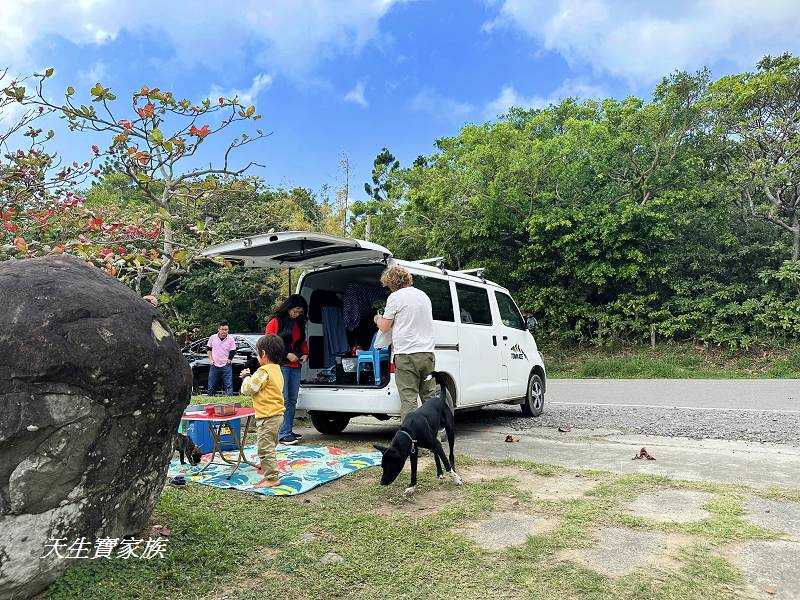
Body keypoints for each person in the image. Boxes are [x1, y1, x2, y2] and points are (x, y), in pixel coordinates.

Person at [374, 265, 437, 420]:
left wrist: (376, 318)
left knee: (409, 400)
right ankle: (434, 437)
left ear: (392, 283)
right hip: (427, 353)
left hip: (406, 355)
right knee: (429, 398)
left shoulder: (395, 297)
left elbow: (385, 326)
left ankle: (411, 440)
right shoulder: (423, 296)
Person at [239, 334, 285, 488]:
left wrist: (246, 377)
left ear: (263, 354)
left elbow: (249, 388)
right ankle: (266, 467)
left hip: (267, 416)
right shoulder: (277, 370)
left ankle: (271, 478)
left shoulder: (263, 371)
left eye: (257, 353)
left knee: (264, 447)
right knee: (270, 443)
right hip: (277, 415)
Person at [265, 295, 309, 445]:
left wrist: (305, 354)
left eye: (300, 312)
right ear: (288, 307)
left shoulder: (298, 323)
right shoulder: (275, 322)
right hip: (281, 366)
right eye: (295, 311)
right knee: (282, 399)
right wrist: (286, 354)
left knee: (292, 400)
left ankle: (287, 430)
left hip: (295, 365)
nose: (297, 314)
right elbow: (268, 344)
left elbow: (302, 342)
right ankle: (282, 433)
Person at [206, 321, 236, 395]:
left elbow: (233, 351)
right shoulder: (212, 338)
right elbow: (208, 349)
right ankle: (210, 399)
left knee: (228, 384)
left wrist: (229, 360)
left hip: (226, 365)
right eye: (222, 329)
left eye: (226, 330)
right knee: (211, 384)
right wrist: (210, 359)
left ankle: (229, 400)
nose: (224, 331)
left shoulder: (231, 339)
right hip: (214, 365)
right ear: (218, 329)